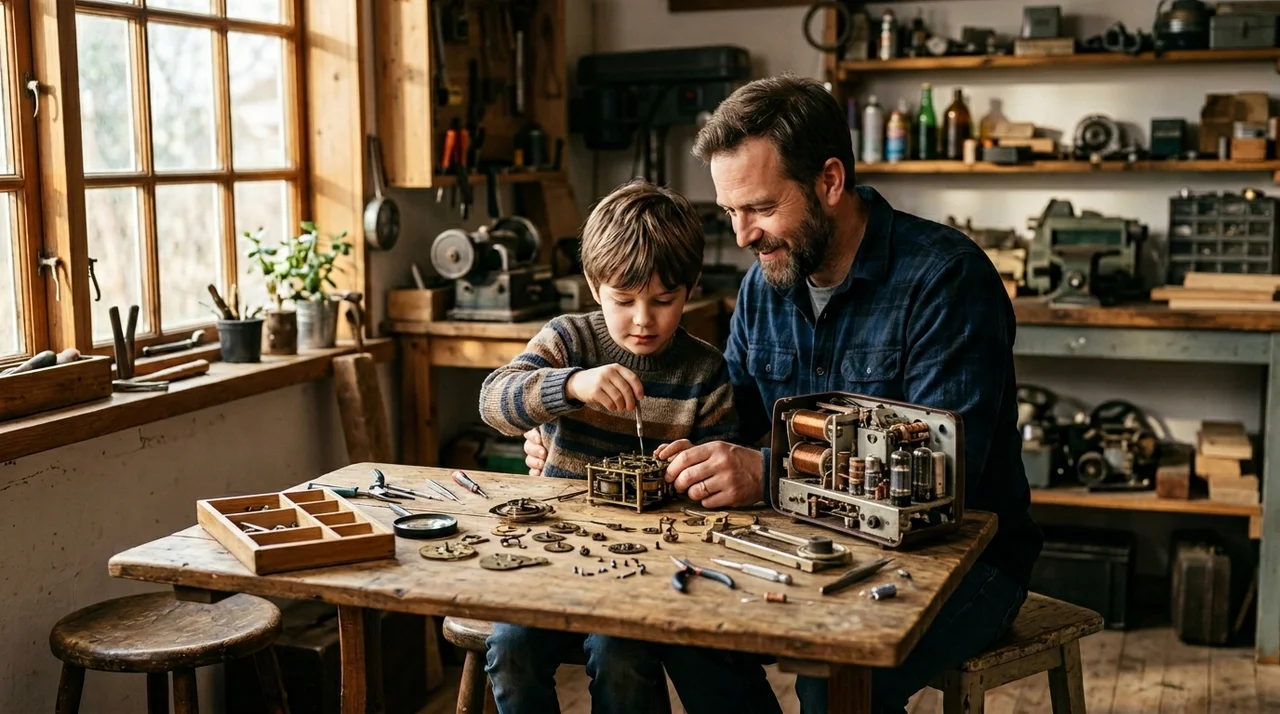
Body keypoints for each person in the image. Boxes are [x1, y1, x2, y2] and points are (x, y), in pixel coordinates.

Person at [522, 73, 1044, 714]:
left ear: (829, 181)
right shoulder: (764, 285)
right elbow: (730, 425)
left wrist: (767, 473)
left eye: (762, 209)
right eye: (729, 212)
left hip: (963, 558)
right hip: (801, 538)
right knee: (684, 630)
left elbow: (938, 475)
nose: (742, 236)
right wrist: (580, 434)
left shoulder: (947, 280)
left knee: (831, 674)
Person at [476, 178, 745, 714]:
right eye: (624, 300)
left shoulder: (705, 372)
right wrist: (570, 385)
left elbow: (723, 489)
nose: (643, 319)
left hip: (643, 572)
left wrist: (692, 474)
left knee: (620, 656)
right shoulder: (568, 341)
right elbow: (493, 401)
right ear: (595, 287)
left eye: (663, 300)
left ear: (691, 289)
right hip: (548, 564)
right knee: (510, 648)